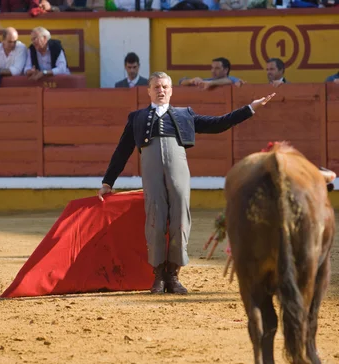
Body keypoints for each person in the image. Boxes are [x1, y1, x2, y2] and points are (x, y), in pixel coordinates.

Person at [97, 71, 275, 295]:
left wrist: (249, 108)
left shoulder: (185, 115)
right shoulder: (137, 118)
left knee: (181, 218)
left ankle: (173, 274)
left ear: (171, 90)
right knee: (155, 218)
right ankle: (159, 276)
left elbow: (218, 124)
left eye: (164, 87)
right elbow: (122, 152)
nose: (161, 90)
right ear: (149, 91)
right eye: (156, 87)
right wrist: (108, 182)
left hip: (178, 172)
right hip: (151, 174)